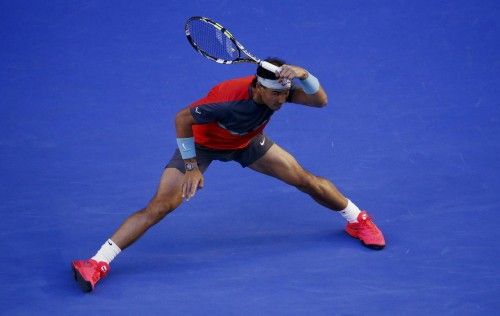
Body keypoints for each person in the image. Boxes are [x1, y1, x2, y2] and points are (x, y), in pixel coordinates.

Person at [71, 58, 386, 292]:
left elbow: (321, 101)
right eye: (277, 95)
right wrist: (192, 166)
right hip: (202, 148)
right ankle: (97, 262)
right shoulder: (226, 99)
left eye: (285, 94)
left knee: (304, 179)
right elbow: (182, 118)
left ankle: (358, 220)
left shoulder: (279, 91)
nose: (282, 101)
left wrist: (304, 74)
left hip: (246, 142)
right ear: (258, 88)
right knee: (160, 207)